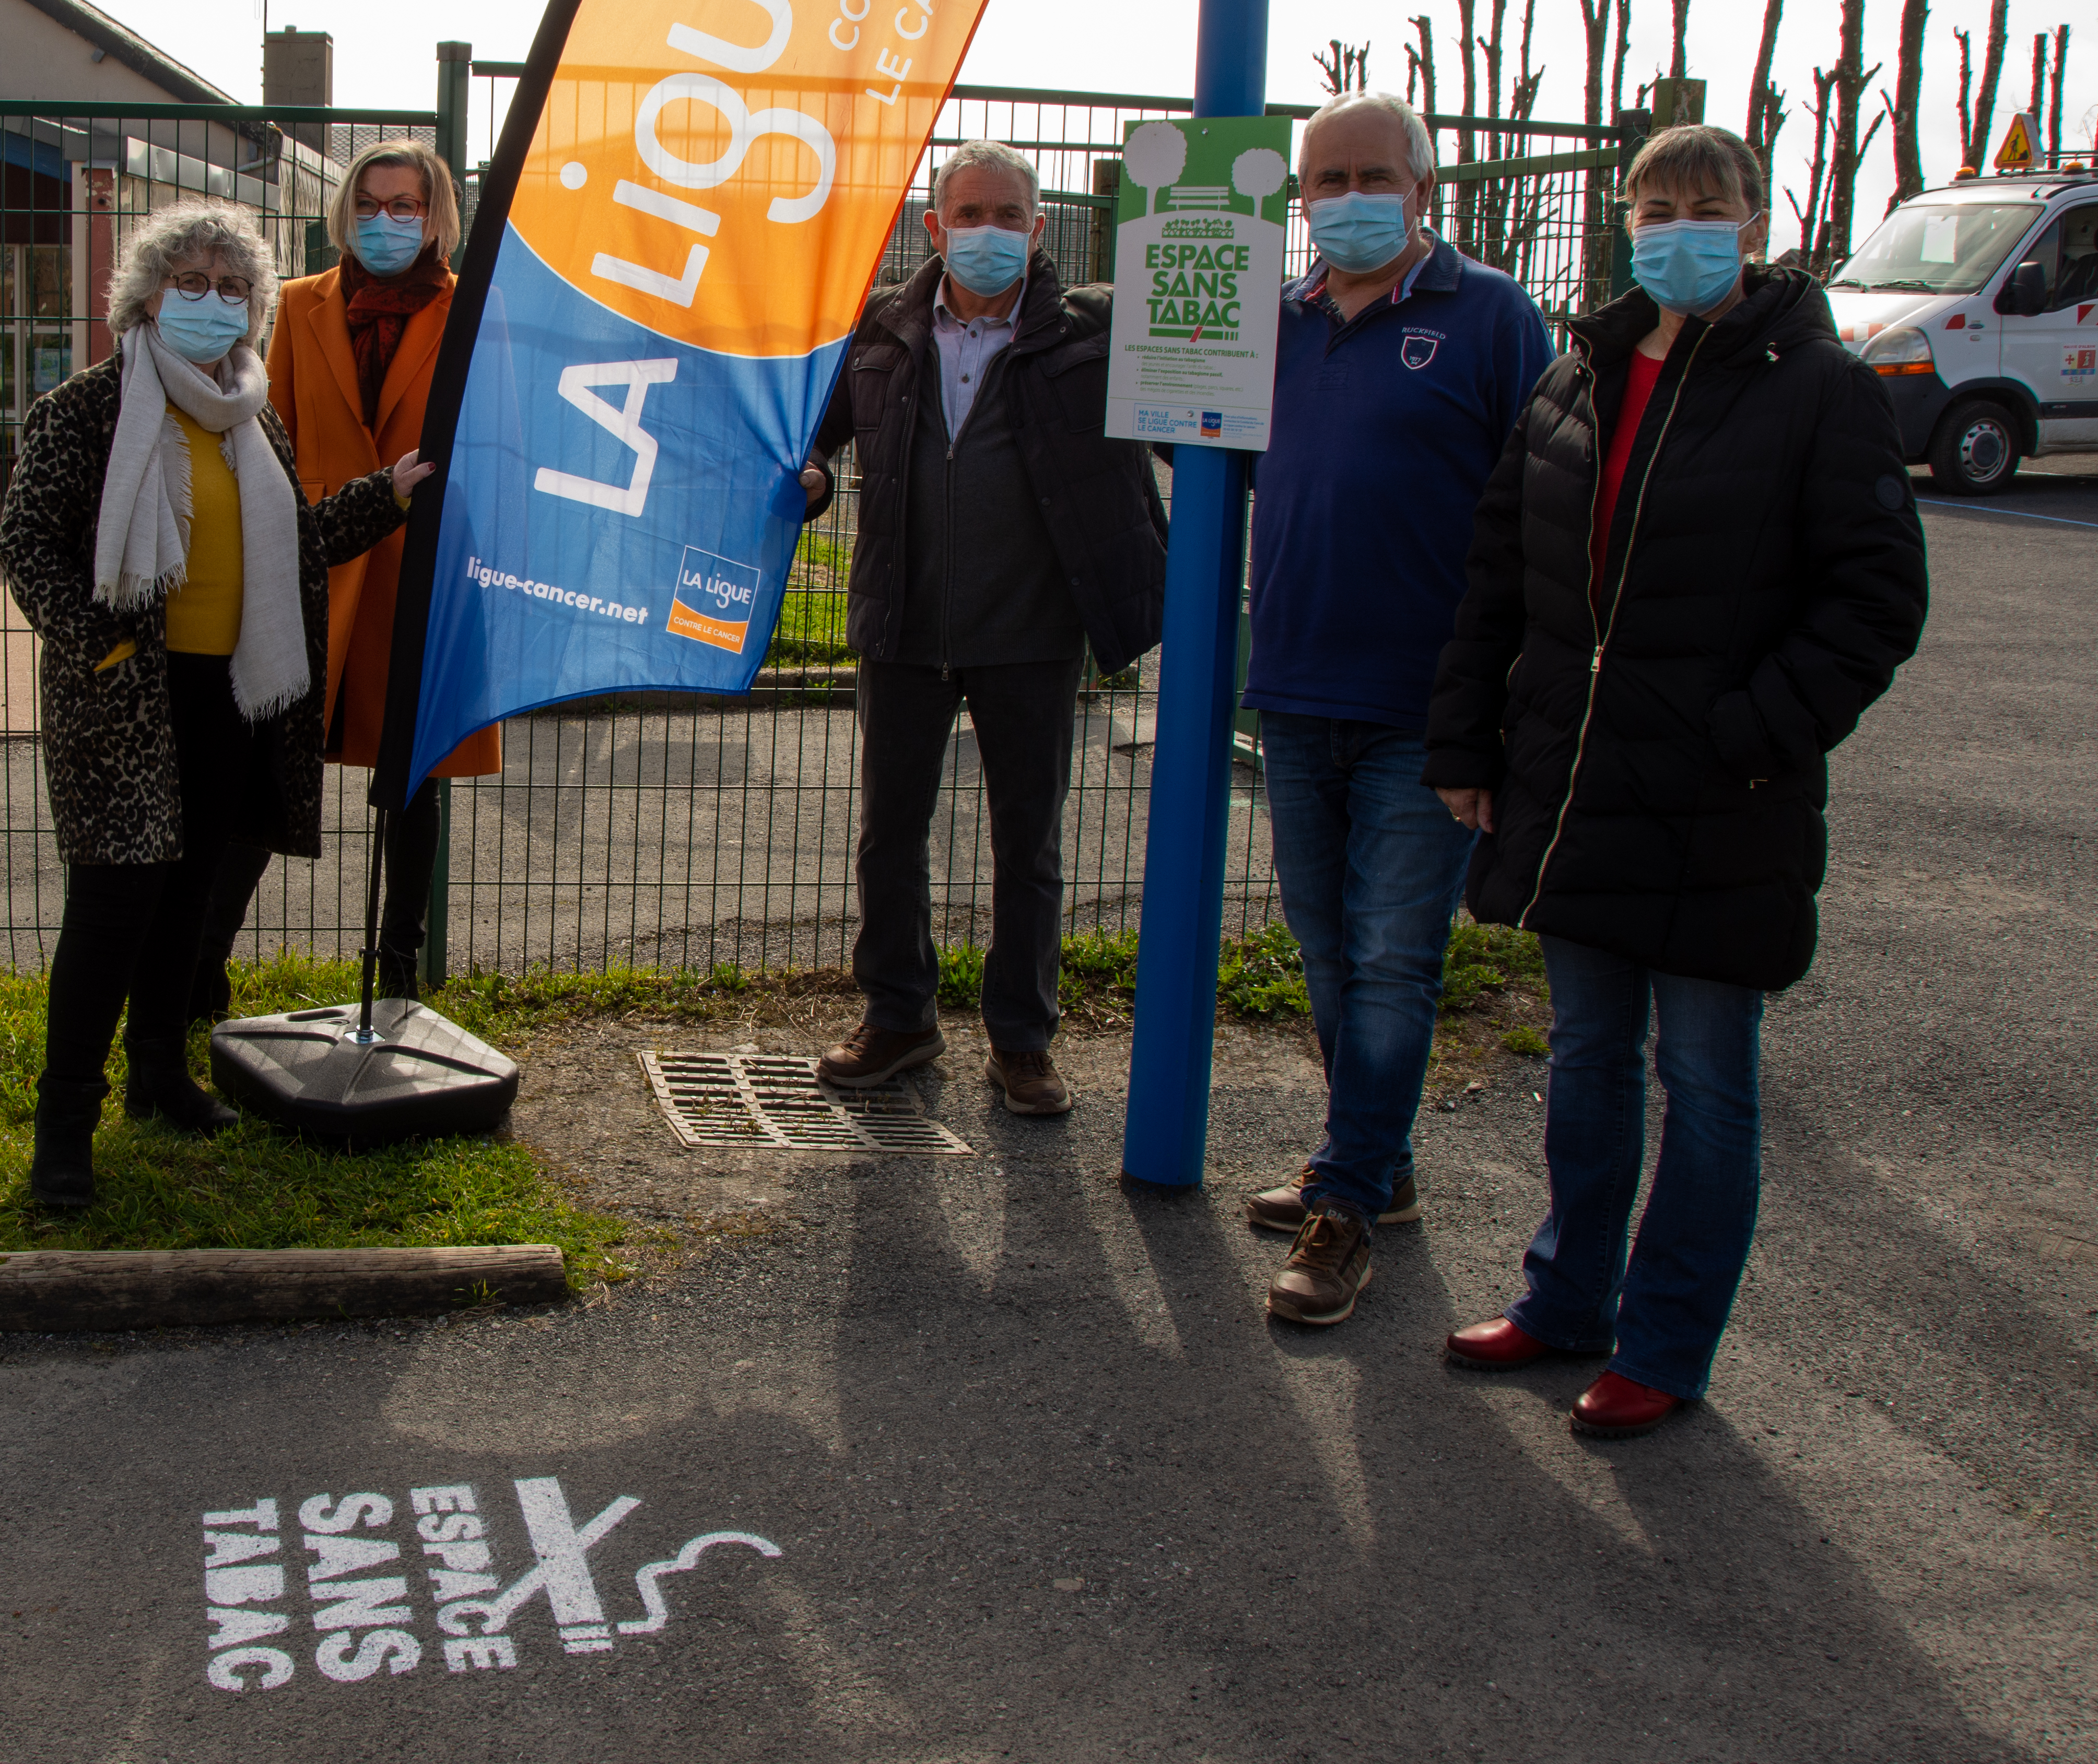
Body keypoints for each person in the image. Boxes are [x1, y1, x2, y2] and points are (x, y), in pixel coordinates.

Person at [1425, 123, 1928, 1436]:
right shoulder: (1576, 378)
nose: (1676, 226)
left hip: (1724, 805)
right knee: (1587, 1055)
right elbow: (1503, 578)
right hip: (1576, 792)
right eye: (1654, 203)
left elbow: (1874, 602)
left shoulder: (1822, 387)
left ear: (1756, 222)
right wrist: (1472, 747)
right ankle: (1565, 1297)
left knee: (1706, 1080)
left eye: (1705, 204)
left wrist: (1750, 733)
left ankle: (1665, 1342)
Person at [0, 201, 432, 1209]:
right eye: (188, 282)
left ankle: (158, 1077)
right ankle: (64, 1129)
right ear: (145, 298)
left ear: (254, 310)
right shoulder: (84, 411)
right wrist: (101, 643)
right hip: (128, 701)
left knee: (188, 902)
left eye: (232, 288)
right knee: (111, 911)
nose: (210, 302)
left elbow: (289, 551)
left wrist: (385, 494)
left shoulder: (251, 414)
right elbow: (29, 548)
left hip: (234, 695)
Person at [1241, 92, 1556, 1330]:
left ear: (1425, 189)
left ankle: (1348, 1207)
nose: (1348, 199)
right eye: (1327, 180)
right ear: (1301, 198)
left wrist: (1501, 711)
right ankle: (1377, 1159)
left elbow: (1544, 503)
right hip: (1300, 689)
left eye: (1375, 175)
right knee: (1326, 948)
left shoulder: (1491, 319)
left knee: (1391, 960)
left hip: (1429, 707)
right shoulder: (1281, 325)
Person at [799, 139, 1166, 1116]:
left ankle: (1022, 1040)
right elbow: (821, 440)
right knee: (890, 836)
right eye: (970, 214)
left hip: (1034, 631)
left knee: (1029, 845)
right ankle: (900, 1019)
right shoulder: (883, 330)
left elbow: (1192, 426)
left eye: (1009, 216)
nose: (988, 233)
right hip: (905, 624)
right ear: (935, 226)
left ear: (1039, 228)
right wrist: (816, 479)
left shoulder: (1092, 335)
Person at [196, 140, 499, 1008]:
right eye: (369, 203)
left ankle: (397, 972)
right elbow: (271, 435)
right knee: (268, 765)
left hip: (424, 566)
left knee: (410, 784)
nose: (385, 221)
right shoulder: (297, 304)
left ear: (437, 213)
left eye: (405, 205)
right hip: (319, 560)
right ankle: (203, 965)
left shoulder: (473, 311)